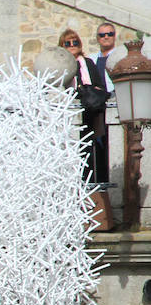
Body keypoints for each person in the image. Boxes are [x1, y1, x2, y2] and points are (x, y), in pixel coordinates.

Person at [61, 28, 109, 186]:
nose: (72, 45)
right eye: (67, 43)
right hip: (70, 113)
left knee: (92, 149)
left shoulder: (87, 63)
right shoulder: (61, 65)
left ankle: (94, 181)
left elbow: (99, 86)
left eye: (75, 42)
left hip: (90, 111)